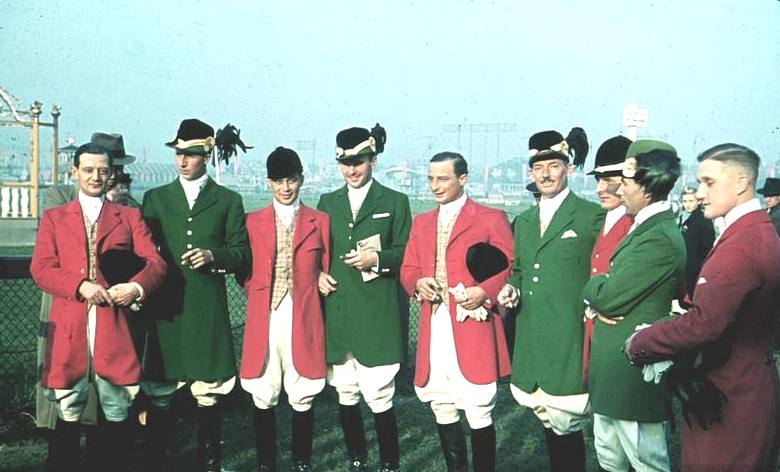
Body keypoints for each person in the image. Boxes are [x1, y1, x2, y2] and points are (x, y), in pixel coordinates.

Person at [626, 143, 780, 471]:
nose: (700, 193)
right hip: (749, 386)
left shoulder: (741, 244)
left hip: (732, 394)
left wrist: (640, 342)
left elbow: (704, 324)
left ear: (741, 183)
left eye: (709, 182)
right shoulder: (757, 231)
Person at [30, 142, 166, 472]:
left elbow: (155, 263)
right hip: (70, 323)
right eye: (88, 170)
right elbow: (41, 268)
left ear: (111, 174)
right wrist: (80, 286)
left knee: (116, 401)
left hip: (114, 322)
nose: (96, 177)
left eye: (103, 171)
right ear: (74, 172)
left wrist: (134, 287)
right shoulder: (55, 218)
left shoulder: (129, 216)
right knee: (68, 402)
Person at [140, 118, 251, 471]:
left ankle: (210, 463)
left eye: (190, 154)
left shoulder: (228, 200)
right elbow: (142, 251)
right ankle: (156, 462)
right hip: (166, 308)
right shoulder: (155, 199)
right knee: (161, 389)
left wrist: (213, 256)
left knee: (209, 391)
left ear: (206, 155)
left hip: (206, 308)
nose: (182, 161)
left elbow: (241, 252)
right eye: (178, 153)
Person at [497, 128, 603, 472]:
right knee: (548, 421)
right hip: (532, 337)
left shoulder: (590, 216)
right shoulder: (525, 220)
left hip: (568, 336)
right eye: (538, 167)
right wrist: (511, 287)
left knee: (567, 422)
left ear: (568, 168)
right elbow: (520, 269)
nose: (545, 174)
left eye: (553, 166)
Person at [400, 152, 513, 472]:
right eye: (431, 179)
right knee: (441, 402)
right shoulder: (422, 222)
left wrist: (484, 293)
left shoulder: (490, 217)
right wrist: (418, 282)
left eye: (443, 178)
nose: (435, 186)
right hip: (435, 324)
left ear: (463, 179)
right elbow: (408, 268)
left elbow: (509, 265)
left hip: (473, 325)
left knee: (478, 405)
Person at [583, 140, 684, 472]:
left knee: (646, 463)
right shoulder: (645, 228)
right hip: (615, 375)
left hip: (632, 379)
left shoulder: (658, 238)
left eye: (626, 183)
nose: (620, 190)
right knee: (611, 460)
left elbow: (607, 296)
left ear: (648, 188)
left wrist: (593, 286)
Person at [317, 124, 412, 472]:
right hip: (339, 311)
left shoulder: (395, 202)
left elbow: (407, 254)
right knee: (345, 390)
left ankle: (389, 463)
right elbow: (317, 252)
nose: (352, 170)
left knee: (379, 393)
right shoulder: (327, 202)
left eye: (358, 162)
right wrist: (317, 275)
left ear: (373, 160)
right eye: (345, 163)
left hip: (377, 312)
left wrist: (378, 259)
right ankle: (356, 458)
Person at [239, 147, 330, 472]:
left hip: (304, 314)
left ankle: (301, 461)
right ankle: (266, 462)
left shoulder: (319, 221)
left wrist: (318, 278)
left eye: (291, 180)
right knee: (264, 387)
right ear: (268, 183)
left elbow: (326, 264)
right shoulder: (252, 221)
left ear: (301, 180)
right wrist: (259, 290)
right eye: (278, 181)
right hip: (266, 314)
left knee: (302, 387)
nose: (285, 188)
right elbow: (243, 267)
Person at [581, 135, 634, 388]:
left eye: (609, 181)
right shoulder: (605, 219)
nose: (600, 189)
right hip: (596, 330)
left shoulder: (636, 224)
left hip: (620, 333)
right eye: (598, 180)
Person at [678, 186, 715, 299]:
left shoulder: (703, 220)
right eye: (685, 201)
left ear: (698, 201)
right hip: (687, 271)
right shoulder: (685, 219)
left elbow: (709, 248)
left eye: (691, 201)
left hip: (696, 272)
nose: (687, 204)